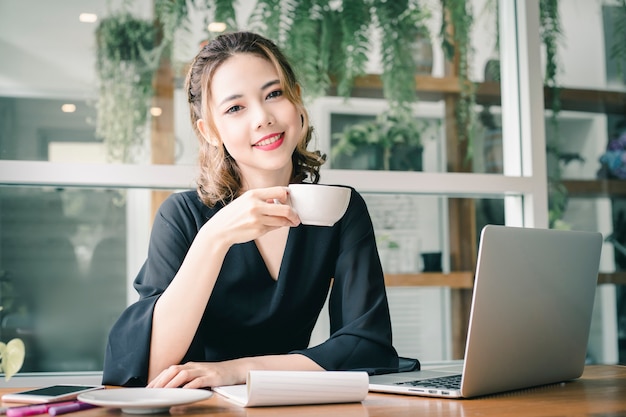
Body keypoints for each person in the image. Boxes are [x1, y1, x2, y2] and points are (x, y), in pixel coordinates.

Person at [102, 31, 399, 388]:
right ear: (210, 131)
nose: (262, 117)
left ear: (297, 100)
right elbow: (151, 369)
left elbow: (367, 346)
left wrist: (237, 371)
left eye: (274, 94)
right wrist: (214, 238)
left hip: (290, 404)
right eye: (235, 108)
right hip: (199, 410)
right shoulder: (181, 215)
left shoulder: (339, 209)